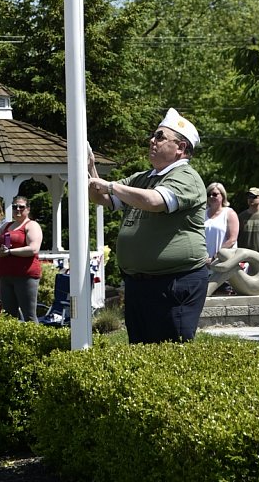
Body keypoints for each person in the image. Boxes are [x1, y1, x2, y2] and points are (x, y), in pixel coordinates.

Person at [88, 106, 208, 344]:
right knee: (141, 351)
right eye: (153, 136)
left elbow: (154, 201)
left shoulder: (186, 178)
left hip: (174, 282)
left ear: (181, 148)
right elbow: (100, 198)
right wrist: (89, 167)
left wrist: (109, 185)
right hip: (140, 284)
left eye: (160, 136)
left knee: (170, 352)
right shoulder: (144, 178)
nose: (152, 141)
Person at [0, 196, 43, 322]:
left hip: (25, 277)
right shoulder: (6, 226)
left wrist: (10, 252)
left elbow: (34, 248)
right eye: (14, 207)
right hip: (5, 277)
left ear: (28, 209)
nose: (17, 209)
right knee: (9, 317)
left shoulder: (32, 225)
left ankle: (34, 341)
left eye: (21, 207)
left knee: (29, 315)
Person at [204, 182, 239, 263]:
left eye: (215, 194)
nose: (211, 196)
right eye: (209, 194)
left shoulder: (229, 213)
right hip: (204, 262)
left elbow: (232, 240)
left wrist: (215, 257)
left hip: (223, 262)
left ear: (222, 196)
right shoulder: (203, 214)